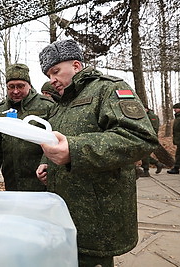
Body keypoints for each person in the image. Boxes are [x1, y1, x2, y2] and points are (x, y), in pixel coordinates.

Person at [37, 39, 159, 267]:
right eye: (48, 75)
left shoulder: (109, 88)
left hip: (97, 215)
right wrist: (48, 162)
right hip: (65, 213)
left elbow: (140, 137)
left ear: (75, 65)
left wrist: (74, 151)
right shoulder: (61, 103)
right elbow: (57, 139)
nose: (52, 80)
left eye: (55, 71)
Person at [0, 63, 54, 191]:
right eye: (11, 87)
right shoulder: (0, 111)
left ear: (29, 85)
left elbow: (55, 139)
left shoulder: (46, 106)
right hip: (12, 182)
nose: (15, 91)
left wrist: (45, 163)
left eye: (20, 86)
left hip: (40, 181)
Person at [139, 106, 165, 176]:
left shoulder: (152, 116)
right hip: (144, 136)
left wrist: (150, 136)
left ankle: (146, 171)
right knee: (143, 153)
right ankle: (157, 164)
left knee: (145, 153)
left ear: (146, 108)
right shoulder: (145, 115)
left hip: (149, 137)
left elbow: (154, 128)